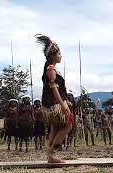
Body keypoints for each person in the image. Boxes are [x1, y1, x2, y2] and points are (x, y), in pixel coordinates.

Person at [36, 34, 74, 163]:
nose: (60, 56)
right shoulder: (51, 69)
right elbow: (54, 88)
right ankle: (52, 153)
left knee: (56, 128)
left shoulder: (51, 68)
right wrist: (62, 105)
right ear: (53, 55)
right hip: (54, 104)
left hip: (52, 103)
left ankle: (50, 156)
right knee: (68, 125)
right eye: (59, 54)